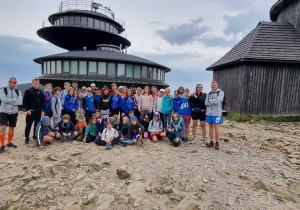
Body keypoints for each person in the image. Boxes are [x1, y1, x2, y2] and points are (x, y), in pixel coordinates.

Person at [0, 77, 23, 152]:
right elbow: (3, 100)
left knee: (12, 127)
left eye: (14, 82)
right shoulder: (3, 90)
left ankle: (9, 142)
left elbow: (19, 102)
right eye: (11, 82)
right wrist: (14, 101)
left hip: (14, 112)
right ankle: (2, 144)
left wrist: (9, 101)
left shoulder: (18, 92)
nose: (12, 83)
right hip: (4, 111)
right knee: (3, 126)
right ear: (8, 82)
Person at [23, 78, 44, 144]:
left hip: (38, 111)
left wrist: (42, 110)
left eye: (37, 83)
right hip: (31, 111)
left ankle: (35, 135)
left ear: (39, 84)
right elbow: (25, 101)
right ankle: (27, 137)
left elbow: (42, 102)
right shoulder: (28, 91)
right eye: (35, 83)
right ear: (32, 83)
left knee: (37, 124)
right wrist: (27, 110)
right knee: (29, 124)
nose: (36, 84)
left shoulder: (40, 91)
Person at [205, 81, 224, 150]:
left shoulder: (220, 92)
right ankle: (211, 141)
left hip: (217, 113)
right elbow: (205, 102)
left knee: (216, 127)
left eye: (214, 85)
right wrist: (212, 102)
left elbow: (218, 101)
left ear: (217, 85)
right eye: (212, 85)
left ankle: (217, 143)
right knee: (210, 127)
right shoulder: (209, 93)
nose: (213, 86)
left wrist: (210, 101)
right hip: (209, 113)